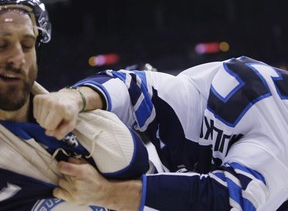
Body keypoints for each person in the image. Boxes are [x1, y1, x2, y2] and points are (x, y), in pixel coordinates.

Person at [34, 54, 288, 211]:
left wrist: (106, 193)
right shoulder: (226, 89)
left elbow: (221, 200)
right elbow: (134, 88)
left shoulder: (277, 145)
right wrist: (74, 98)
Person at [0, 0, 150, 210]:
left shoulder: (80, 118)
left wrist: (107, 192)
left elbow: (141, 166)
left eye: (27, 44)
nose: (18, 58)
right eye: (1, 44)